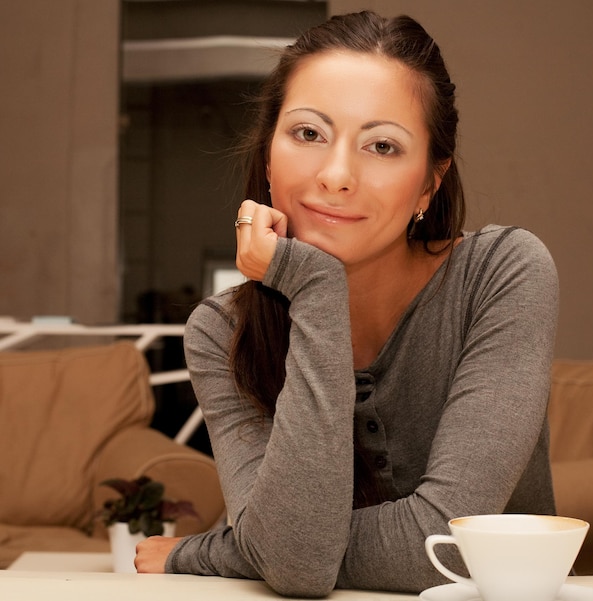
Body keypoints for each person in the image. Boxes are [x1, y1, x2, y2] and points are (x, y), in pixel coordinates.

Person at [135, 10, 559, 596]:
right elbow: (293, 566)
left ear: (430, 184)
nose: (336, 175)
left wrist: (236, 550)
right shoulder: (220, 332)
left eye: (382, 146)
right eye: (308, 134)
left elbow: (454, 549)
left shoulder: (503, 274)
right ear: (267, 155)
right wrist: (313, 287)